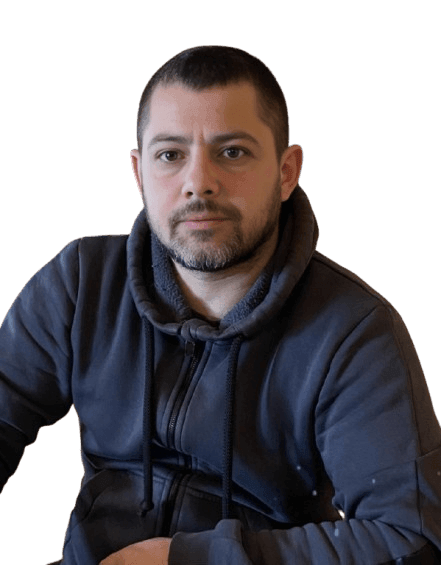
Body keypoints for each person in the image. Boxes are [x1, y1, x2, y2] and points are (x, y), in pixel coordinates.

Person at [0, 45, 440, 565]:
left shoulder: (354, 331)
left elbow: (411, 537)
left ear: (287, 171)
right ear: (140, 174)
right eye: (171, 154)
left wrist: (188, 560)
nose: (198, 182)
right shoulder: (81, 282)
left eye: (232, 152)